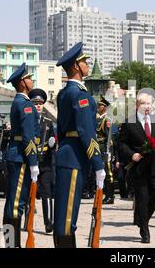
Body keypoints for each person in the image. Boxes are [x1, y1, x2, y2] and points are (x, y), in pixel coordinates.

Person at [54, 42, 106, 248]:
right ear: (76, 66)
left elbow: (61, 129)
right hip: (75, 157)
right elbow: (86, 132)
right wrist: (98, 163)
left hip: (67, 152)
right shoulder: (80, 95)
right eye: (84, 61)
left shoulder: (64, 93)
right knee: (67, 216)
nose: (87, 64)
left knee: (64, 212)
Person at [118, 89, 155, 244]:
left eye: (149, 103)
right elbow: (121, 143)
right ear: (137, 105)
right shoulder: (129, 122)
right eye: (143, 103)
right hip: (138, 168)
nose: (147, 106)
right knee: (142, 198)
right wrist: (131, 154)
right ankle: (145, 232)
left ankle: (143, 219)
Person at [3, 63, 40, 248]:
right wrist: (33, 162)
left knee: (13, 202)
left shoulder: (20, 102)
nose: (32, 80)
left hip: (17, 155)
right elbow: (28, 137)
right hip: (21, 158)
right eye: (29, 78)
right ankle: (12, 245)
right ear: (23, 82)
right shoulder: (24, 104)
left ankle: (11, 243)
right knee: (17, 203)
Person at [28, 88, 56, 234]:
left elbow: (53, 142)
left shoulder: (48, 122)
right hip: (30, 161)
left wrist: (53, 143)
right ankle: (28, 220)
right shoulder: (27, 120)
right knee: (28, 193)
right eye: (35, 103)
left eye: (40, 103)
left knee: (47, 193)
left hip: (45, 162)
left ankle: (49, 222)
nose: (38, 105)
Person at [96, 96, 115, 205]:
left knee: (109, 173)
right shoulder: (99, 119)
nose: (99, 107)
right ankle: (104, 194)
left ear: (105, 107)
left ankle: (110, 196)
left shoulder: (107, 119)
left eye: (101, 105)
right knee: (102, 172)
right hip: (100, 147)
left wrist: (109, 151)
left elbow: (109, 138)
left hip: (105, 147)